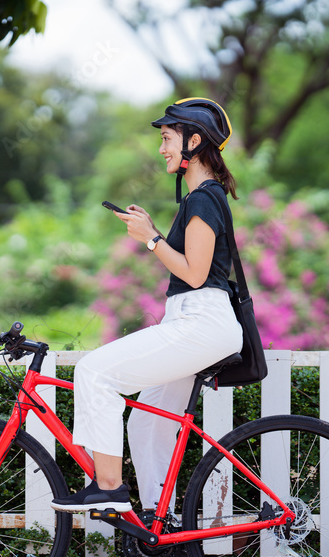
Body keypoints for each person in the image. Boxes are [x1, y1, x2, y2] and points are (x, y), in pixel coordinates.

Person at [51, 98, 243, 514]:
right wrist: (155, 231)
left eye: (167, 139)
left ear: (194, 141)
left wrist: (150, 240)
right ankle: (162, 531)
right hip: (195, 321)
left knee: (93, 372)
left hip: (201, 323)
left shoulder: (204, 198)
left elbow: (195, 273)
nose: (162, 149)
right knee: (145, 422)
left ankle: (109, 487)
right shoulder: (200, 198)